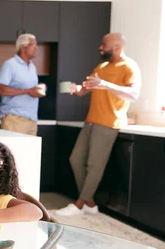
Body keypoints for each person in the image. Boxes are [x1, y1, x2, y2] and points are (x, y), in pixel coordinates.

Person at [56, 33, 141, 216]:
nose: (100, 47)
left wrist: (106, 84)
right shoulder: (101, 67)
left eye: (104, 44)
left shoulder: (129, 67)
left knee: (95, 165)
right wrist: (76, 89)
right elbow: (84, 90)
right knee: (76, 159)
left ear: (117, 47)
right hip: (91, 121)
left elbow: (133, 94)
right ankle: (90, 202)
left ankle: (79, 204)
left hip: (108, 123)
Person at [0, 33, 46, 136]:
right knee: (13, 152)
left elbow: (32, 90)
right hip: (15, 119)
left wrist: (38, 91)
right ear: (23, 48)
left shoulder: (32, 67)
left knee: (31, 152)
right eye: (33, 45)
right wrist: (27, 91)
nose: (36, 48)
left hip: (32, 120)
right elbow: (1, 90)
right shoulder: (10, 65)